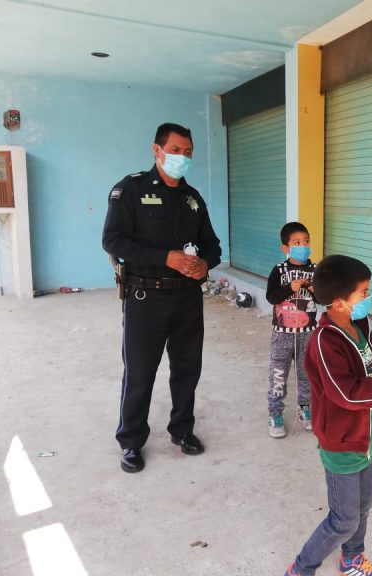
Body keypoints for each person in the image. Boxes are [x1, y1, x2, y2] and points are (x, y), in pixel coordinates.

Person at [102, 123, 221, 473]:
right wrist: (165, 257)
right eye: (175, 150)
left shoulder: (193, 198)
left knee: (187, 369)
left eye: (187, 152)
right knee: (140, 373)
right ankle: (131, 441)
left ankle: (182, 430)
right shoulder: (131, 190)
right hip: (145, 298)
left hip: (187, 298)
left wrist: (205, 265)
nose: (181, 157)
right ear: (157, 150)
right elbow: (113, 241)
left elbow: (212, 245)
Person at [284, 255, 372, 576]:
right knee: (343, 520)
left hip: (369, 436)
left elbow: (366, 372)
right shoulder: (324, 341)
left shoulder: (358, 325)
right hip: (342, 442)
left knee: (363, 508)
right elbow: (347, 393)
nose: (369, 298)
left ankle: (352, 560)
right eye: (363, 293)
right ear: (339, 303)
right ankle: (301, 569)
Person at [265, 222, 317, 438]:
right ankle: (275, 412)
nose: (303, 246)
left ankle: (305, 409)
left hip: (308, 332)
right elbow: (271, 297)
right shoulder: (279, 270)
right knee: (279, 372)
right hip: (283, 333)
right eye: (297, 243)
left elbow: (323, 299)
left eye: (306, 241)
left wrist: (316, 291)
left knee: (307, 373)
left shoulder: (316, 270)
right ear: (286, 248)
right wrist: (290, 287)